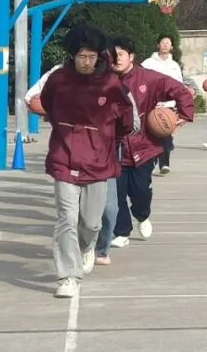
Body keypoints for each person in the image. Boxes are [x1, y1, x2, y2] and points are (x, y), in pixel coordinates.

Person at [40, 24, 135, 298]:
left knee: (92, 222)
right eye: (81, 56)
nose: (86, 61)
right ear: (72, 55)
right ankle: (68, 276)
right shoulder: (58, 80)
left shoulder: (111, 84)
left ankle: (88, 246)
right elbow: (47, 105)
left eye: (91, 56)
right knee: (66, 219)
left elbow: (126, 120)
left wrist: (107, 140)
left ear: (99, 56)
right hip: (64, 156)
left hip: (98, 161)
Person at [109, 36, 194, 249]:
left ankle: (142, 215)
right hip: (114, 148)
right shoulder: (104, 81)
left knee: (140, 192)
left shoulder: (148, 78)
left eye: (120, 54)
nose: (116, 58)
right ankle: (121, 231)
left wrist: (183, 114)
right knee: (116, 193)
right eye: (112, 55)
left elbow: (180, 90)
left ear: (131, 57)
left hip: (144, 146)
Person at [141, 34, 185, 175]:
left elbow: (179, 87)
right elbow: (140, 82)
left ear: (172, 46)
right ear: (158, 45)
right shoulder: (148, 63)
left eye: (168, 43)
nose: (165, 45)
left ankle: (164, 164)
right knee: (150, 135)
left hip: (168, 106)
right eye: (163, 42)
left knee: (165, 132)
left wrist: (179, 107)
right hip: (151, 105)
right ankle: (150, 163)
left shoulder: (174, 66)